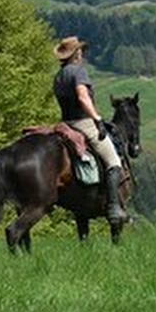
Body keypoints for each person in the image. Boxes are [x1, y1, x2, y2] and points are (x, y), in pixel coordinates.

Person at [52, 36, 128, 223]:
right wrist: (97, 119)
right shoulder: (78, 72)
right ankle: (113, 208)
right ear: (76, 54)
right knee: (113, 162)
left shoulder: (59, 75)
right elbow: (83, 97)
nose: (82, 54)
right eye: (80, 51)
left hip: (65, 123)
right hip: (83, 123)